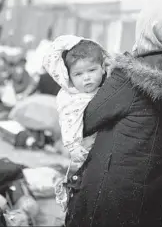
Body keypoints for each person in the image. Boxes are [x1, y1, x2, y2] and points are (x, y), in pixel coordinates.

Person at [64, 2, 162, 227]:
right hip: (151, 186)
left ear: (147, 29)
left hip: (109, 184)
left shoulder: (133, 72)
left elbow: (87, 120)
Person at [43, 35, 111, 166]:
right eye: (78, 74)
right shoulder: (72, 97)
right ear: (69, 76)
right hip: (85, 148)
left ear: (103, 68)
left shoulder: (109, 85)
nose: (86, 78)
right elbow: (68, 121)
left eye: (91, 70)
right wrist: (73, 146)